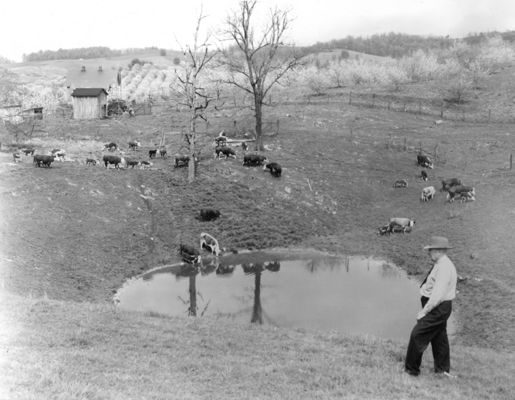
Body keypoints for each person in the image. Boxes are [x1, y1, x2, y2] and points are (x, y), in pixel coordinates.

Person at [405, 236, 457, 377]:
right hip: (440, 307)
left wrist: (424, 312)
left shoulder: (444, 267)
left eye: (431, 250)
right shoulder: (441, 263)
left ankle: (411, 371)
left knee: (417, 335)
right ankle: (442, 370)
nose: (429, 253)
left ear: (439, 251)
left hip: (437, 307)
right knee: (439, 338)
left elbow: (437, 296)